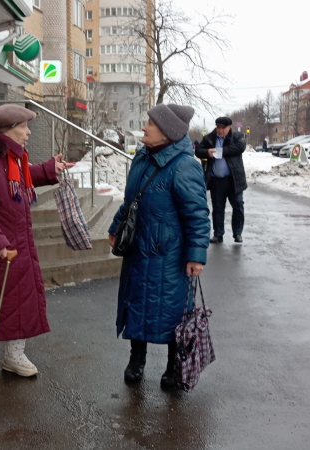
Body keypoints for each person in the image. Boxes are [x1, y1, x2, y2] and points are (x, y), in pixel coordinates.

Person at [0, 104, 74, 381]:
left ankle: (14, 356)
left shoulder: (9, 155)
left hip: (17, 245)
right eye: (24, 126)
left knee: (20, 303)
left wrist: (49, 169)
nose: (28, 132)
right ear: (9, 129)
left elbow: (18, 177)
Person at [108, 104, 210, 389]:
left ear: (166, 132)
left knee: (171, 313)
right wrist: (116, 227)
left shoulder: (184, 165)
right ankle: (136, 360)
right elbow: (131, 202)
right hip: (138, 252)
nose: (144, 127)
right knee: (136, 306)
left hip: (169, 257)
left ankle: (173, 366)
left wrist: (196, 255)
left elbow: (198, 215)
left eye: (150, 124)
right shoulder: (141, 157)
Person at [195, 116, 247, 244]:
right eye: (218, 127)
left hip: (234, 179)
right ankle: (218, 234)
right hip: (217, 181)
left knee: (238, 206)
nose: (220, 130)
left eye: (223, 128)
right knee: (218, 208)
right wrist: (207, 152)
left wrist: (221, 152)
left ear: (229, 127)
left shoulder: (237, 136)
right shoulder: (210, 138)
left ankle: (237, 233)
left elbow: (240, 147)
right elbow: (198, 150)